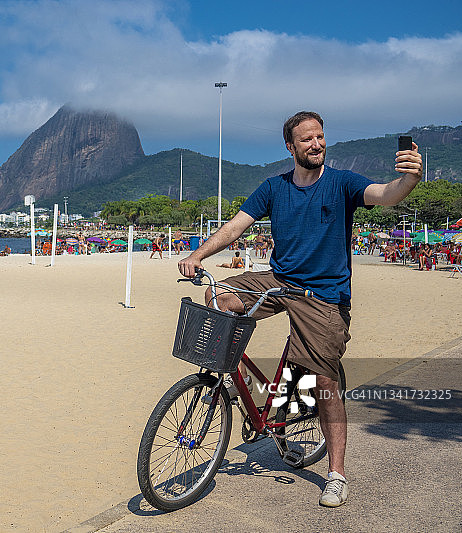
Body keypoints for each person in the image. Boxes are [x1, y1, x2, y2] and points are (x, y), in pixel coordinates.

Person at [177, 111, 423, 508]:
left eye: (320, 136)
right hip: (279, 281)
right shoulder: (274, 187)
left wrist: (409, 178)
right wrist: (198, 255)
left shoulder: (342, 183)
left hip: (323, 296)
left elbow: (385, 193)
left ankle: (337, 475)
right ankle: (240, 380)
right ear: (290, 147)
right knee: (219, 295)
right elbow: (236, 226)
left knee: (325, 382)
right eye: (307, 139)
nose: (316, 144)